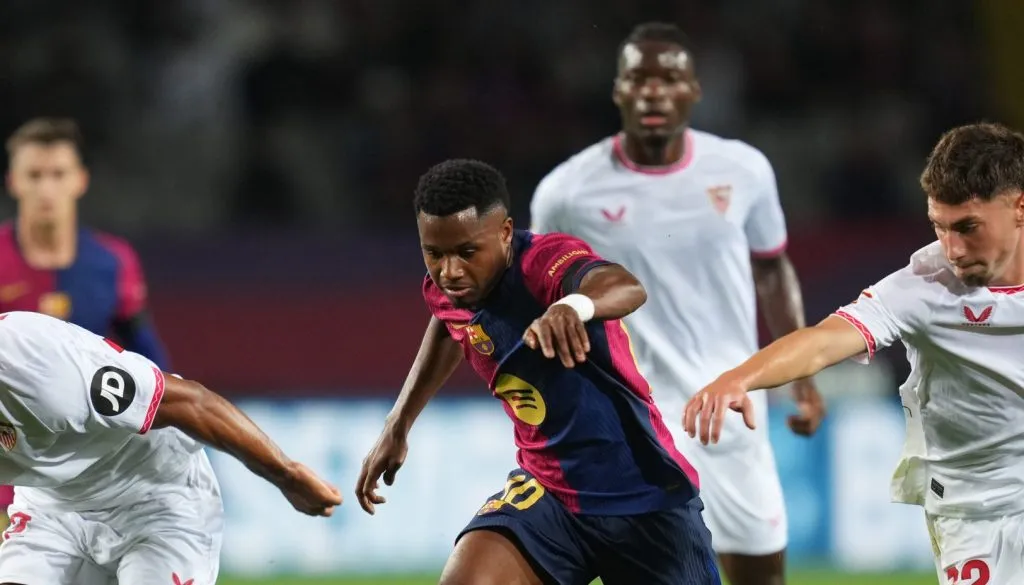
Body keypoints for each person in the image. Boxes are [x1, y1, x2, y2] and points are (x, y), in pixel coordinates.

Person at [529, 21, 823, 585]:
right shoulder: (566, 192)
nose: (653, 93)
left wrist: (802, 379)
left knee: (762, 577)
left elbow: (771, 268)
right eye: (638, 79)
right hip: (631, 422)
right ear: (618, 91)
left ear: (694, 90)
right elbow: (539, 297)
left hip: (731, 407)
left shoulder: (743, 170)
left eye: (668, 80)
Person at [684, 122, 1024, 584]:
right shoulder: (923, 288)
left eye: (968, 228)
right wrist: (739, 378)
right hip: (974, 515)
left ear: (1018, 206)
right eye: (939, 227)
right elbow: (823, 341)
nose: (953, 249)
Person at [357, 159, 720, 585]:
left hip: (643, 493)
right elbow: (448, 324)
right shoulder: (449, 290)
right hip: (549, 494)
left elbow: (625, 286)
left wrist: (571, 306)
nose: (449, 272)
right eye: (434, 253)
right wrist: (399, 422)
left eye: (467, 252)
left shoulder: (543, 262)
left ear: (505, 232)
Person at [0, 310, 342, 584]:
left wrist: (286, 474)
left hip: (155, 497)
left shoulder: (38, 366)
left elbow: (190, 403)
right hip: (53, 507)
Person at [0, 118, 171, 525]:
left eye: (58, 174)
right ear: (13, 182)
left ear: (80, 180)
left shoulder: (112, 263)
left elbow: (149, 361)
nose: (46, 188)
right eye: (34, 175)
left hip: (90, 478)